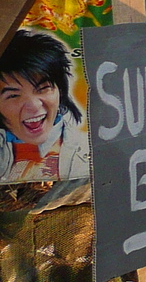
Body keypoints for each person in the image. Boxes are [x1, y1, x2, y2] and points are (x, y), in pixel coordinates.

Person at [0, 30, 89, 183]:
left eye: (43, 89)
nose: (34, 106)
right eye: (14, 95)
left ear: (60, 91)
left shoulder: (89, 152)